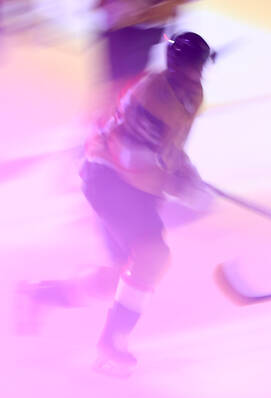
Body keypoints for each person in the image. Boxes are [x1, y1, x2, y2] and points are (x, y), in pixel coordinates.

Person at [14, 32, 216, 376]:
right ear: (176, 65)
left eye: (198, 66)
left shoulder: (190, 96)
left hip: (128, 183)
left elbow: (168, 148)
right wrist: (176, 184)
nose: (195, 72)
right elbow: (131, 159)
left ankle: (41, 295)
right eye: (190, 65)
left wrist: (187, 173)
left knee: (121, 278)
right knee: (153, 256)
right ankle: (112, 345)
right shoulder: (155, 96)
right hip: (111, 179)